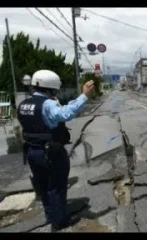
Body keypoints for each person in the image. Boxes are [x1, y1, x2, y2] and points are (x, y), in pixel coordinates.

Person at [17, 69, 95, 232]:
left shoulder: (25, 104)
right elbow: (65, 113)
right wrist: (84, 96)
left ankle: (50, 215)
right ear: (51, 87)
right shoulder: (48, 104)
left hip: (32, 151)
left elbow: (59, 110)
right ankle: (60, 222)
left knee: (43, 186)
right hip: (50, 152)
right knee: (57, 186)